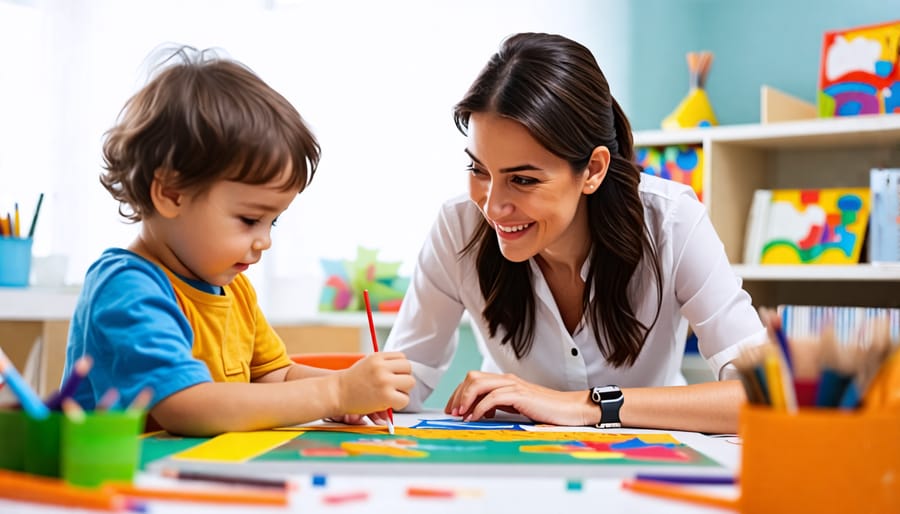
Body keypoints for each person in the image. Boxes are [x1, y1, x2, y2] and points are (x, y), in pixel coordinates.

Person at [383, 32, 766, 434]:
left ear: (594, 170)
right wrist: (345, 392)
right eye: (479, 170)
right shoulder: (457, 226)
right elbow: (399, 382)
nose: (492, 206)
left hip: (646, 459)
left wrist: (584, 407)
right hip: (512, 460)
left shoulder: (672, 222)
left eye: (524, 180)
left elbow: (763, 395)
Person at [60, 46, 414, 436]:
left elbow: (274, 377)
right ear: (172, 194)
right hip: (121, 485)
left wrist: (355, 390)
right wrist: (334, 392)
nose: (264, 241)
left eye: (272, 222)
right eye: (249, 219)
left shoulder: (233, 289)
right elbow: (188, 406)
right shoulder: (128, 288)